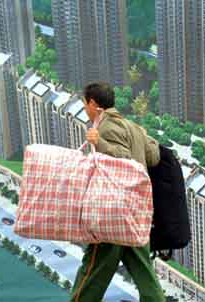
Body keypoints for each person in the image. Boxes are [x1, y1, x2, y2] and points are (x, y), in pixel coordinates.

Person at [70, 82, 165, 302]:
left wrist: (99, 142)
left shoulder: (105, 127)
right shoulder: (133, 127)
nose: (85, 109)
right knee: (145, 274)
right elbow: (154, 157)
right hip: (136, 212)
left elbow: (125, 159)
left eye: (85, 103)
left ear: (93, 103)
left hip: (113, 213)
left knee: (92, 270)